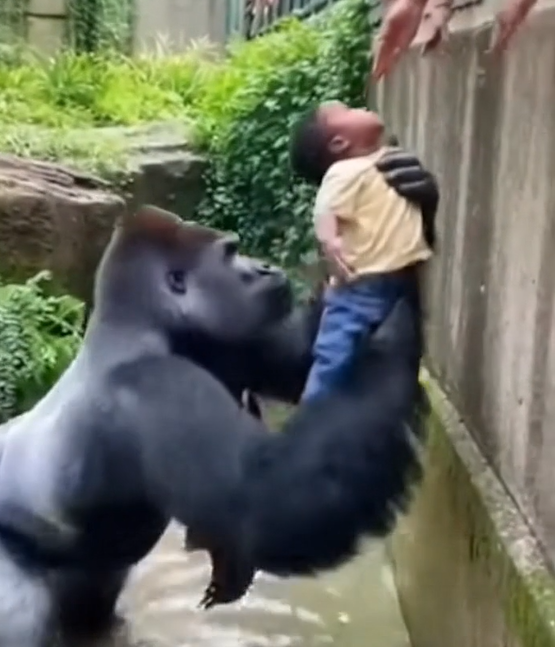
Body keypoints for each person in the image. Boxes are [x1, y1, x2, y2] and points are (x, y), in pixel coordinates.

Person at [289, 101, 434, 402]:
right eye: (345, 110)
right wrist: (330, 240)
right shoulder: (343, 173)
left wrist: (427, 208)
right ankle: (312, 414)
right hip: (363, 284)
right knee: (335, 356)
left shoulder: (382, 161)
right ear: (338, 143)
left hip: (397, 280)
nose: (358, 108)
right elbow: (326, 209)